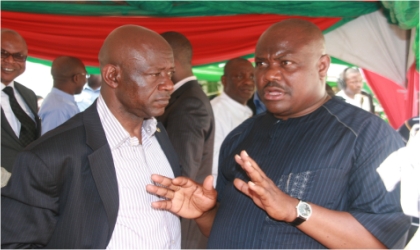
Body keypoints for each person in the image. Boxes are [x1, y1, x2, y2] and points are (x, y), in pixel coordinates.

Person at [147, 19, 411, 249]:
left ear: (322, 67)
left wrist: (295, 210)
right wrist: (204, 214)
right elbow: (231, 229)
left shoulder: (367, 136)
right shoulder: (240, 137)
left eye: (286, 62)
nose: (269, 74)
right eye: (261, 63)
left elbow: (381, 242)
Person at [2, 25, 181, 249]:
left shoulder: (158, 134)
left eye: (170, 73)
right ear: (112, 76)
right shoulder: (49, 157)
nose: (169, 84)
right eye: (155, 74)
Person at [157, 31, 214, 249]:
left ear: (169, 61)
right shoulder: (184, 98)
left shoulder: (188, 104)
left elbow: (181, 174)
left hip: (181, 224)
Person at [1, 28, 41, 173]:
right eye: (2, 53)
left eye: (18, 56)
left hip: (26, 184)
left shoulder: (28, 95)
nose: (10, 61)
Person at [211, 57, 254, 186]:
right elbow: (214, 162)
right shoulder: (216, 112)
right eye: (240, 76)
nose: (248, 82)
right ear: (224, 81)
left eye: (252, 76)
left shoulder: (246, 110)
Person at [38, 56, 86, 135]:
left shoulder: (61, 103)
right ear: (76, 78)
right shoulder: (58, 108)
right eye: (85, 75)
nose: (85, 80)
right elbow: (52, 144)